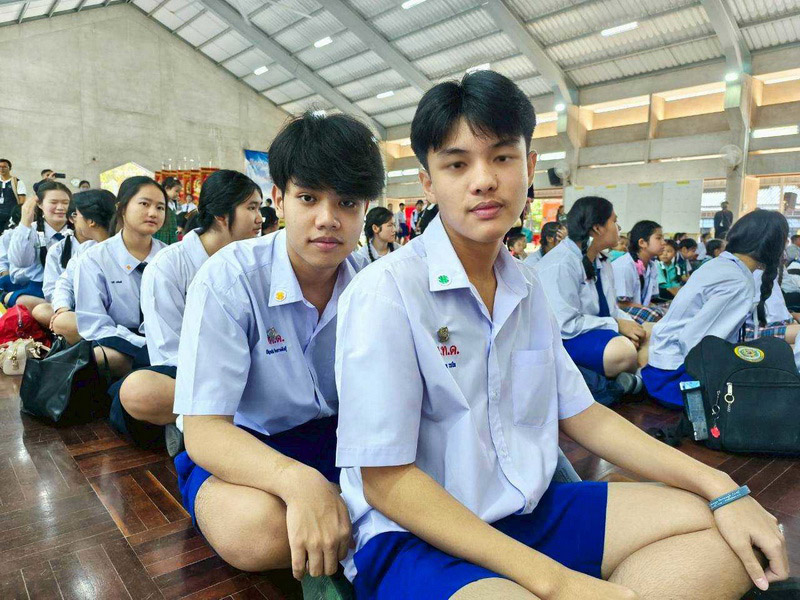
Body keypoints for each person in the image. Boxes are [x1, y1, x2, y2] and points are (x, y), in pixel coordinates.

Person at [335, 70, 787, 600]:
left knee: (731, 534)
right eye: (457, 164)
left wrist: (723, 487)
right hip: (417, 535)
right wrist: (557, 582)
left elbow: (583, 414)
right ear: (428, 183)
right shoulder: (386, 292)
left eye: (502, 157)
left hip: (528, 511)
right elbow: (386, 481)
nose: (483, 180)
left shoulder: (524, 284)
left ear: (529, 167)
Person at [172, 111, 384, 576]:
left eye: (347, 203)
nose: (327, 220)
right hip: (247, 448)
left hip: (339, 442)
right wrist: (295, 479)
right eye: (308, 198)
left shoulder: (373, 286)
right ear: (279, 199)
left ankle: (346, 533)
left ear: (365, 209)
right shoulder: (229, 280)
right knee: (260, 531)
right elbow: (204, 430)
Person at [113, 170, 264, 451]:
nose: (260, 218)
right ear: (221, 215)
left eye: (259, 207)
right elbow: (168, 350)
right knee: (139, 391)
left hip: (246, 369)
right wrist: (225, 376)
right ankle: (213, 422)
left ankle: (216, 420)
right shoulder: (167, 266)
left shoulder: (255, 261)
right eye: (251, 208)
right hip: (190, 372)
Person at [644, 210, 796, 410]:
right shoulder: (738, 282)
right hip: (677, 379)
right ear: (773, 246)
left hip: (661, 368)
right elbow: (696, 344)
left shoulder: (722, 265)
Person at [537, 196, 647, 381]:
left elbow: (611, 310)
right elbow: (565, 325)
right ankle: (621, 381)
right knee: (623, 352)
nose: (619, 228)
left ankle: (630, 381)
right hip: (564, 339)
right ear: (597, 228)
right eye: (614, 221)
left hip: (592, 329)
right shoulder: (561, 264)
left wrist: (632, 327)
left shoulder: (602, 260)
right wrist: (617, 325)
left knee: (649, 333)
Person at [74, 176, 167, 379]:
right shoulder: (95, 258)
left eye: (160, 207)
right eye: (144, 204)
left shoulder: (170, 258)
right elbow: (94, 325)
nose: (153, 213)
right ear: (122, 208)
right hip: (120, 344)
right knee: (102, 357)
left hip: (167, 344)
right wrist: (141, 343)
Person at [35, 190, 116, 343]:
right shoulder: (86, 249)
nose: (73, 219)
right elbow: (63, 282)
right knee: (47, 313)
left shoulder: (117, 250)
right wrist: (63, 308)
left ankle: (103, 345)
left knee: (64, 322)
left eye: (76, 214)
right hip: (81, 312)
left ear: (91, 221)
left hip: (112, 321)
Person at [4, 181, 72, 310]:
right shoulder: (29, 230)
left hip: (71, 288)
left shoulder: (79, 231)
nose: (60, 207)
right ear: (40, 204)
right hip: (37, 289)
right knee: (25, 302)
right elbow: (20, 262)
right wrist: (25, 221)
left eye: (65, 202)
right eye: (53, 202)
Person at [612, 220, 666, 324]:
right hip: (621, 312)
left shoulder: (652, 266)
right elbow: (621, 304)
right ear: (642, 243)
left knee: (669, 311)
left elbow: (649, 301)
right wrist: (651, 311)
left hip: (639, 308)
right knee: (657, 317)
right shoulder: (625, 266)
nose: (663, 242)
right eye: (658, 238)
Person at [0, 158, 26, 234]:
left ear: (9, 168)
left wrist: (18, 214)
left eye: (4, 167)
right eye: (0, 167)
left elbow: (22, 200)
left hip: (11, 215)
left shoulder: (17, 182)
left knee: (8, 235)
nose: (1, 169)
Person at [154, 177, 180, 245]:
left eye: (179, 192)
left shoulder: (173, 203)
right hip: (162, 234)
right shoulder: (160, 203)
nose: (178, 194)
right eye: (176, 191)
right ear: (167, 188)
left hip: (172, 234)